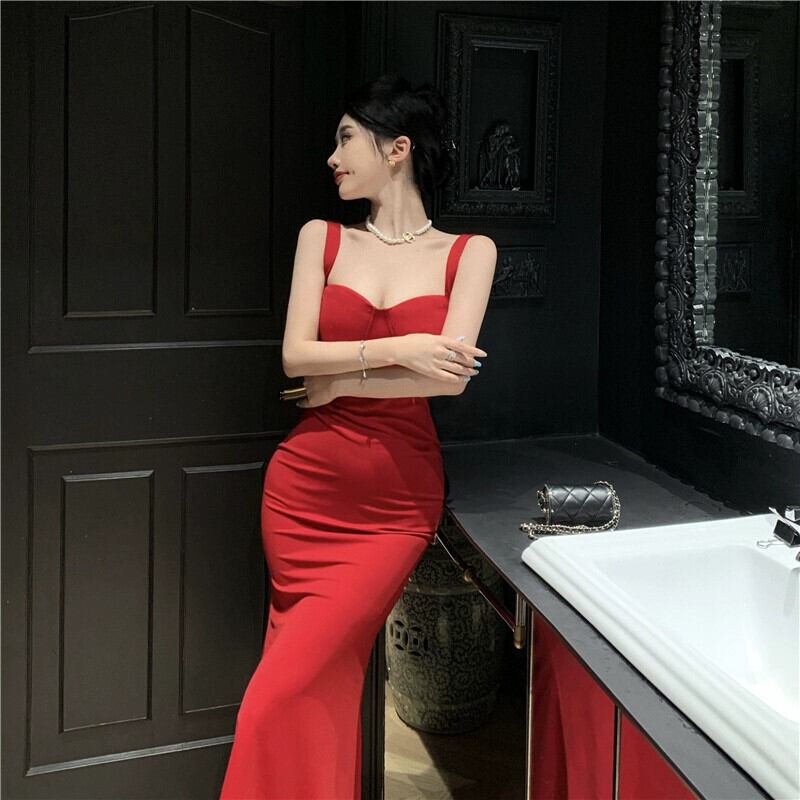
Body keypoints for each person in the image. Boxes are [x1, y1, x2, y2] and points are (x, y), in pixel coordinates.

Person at [219, 73, 497, 800]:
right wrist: (400, 349)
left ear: (396, 148)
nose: (333, 158)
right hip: (304, 493)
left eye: (346, 139)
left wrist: (342, 380)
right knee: (309, 688)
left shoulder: (470, 252)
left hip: (394, 506)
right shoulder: (323, 238)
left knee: (289, 688)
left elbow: (450, 381)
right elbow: (295, 358)